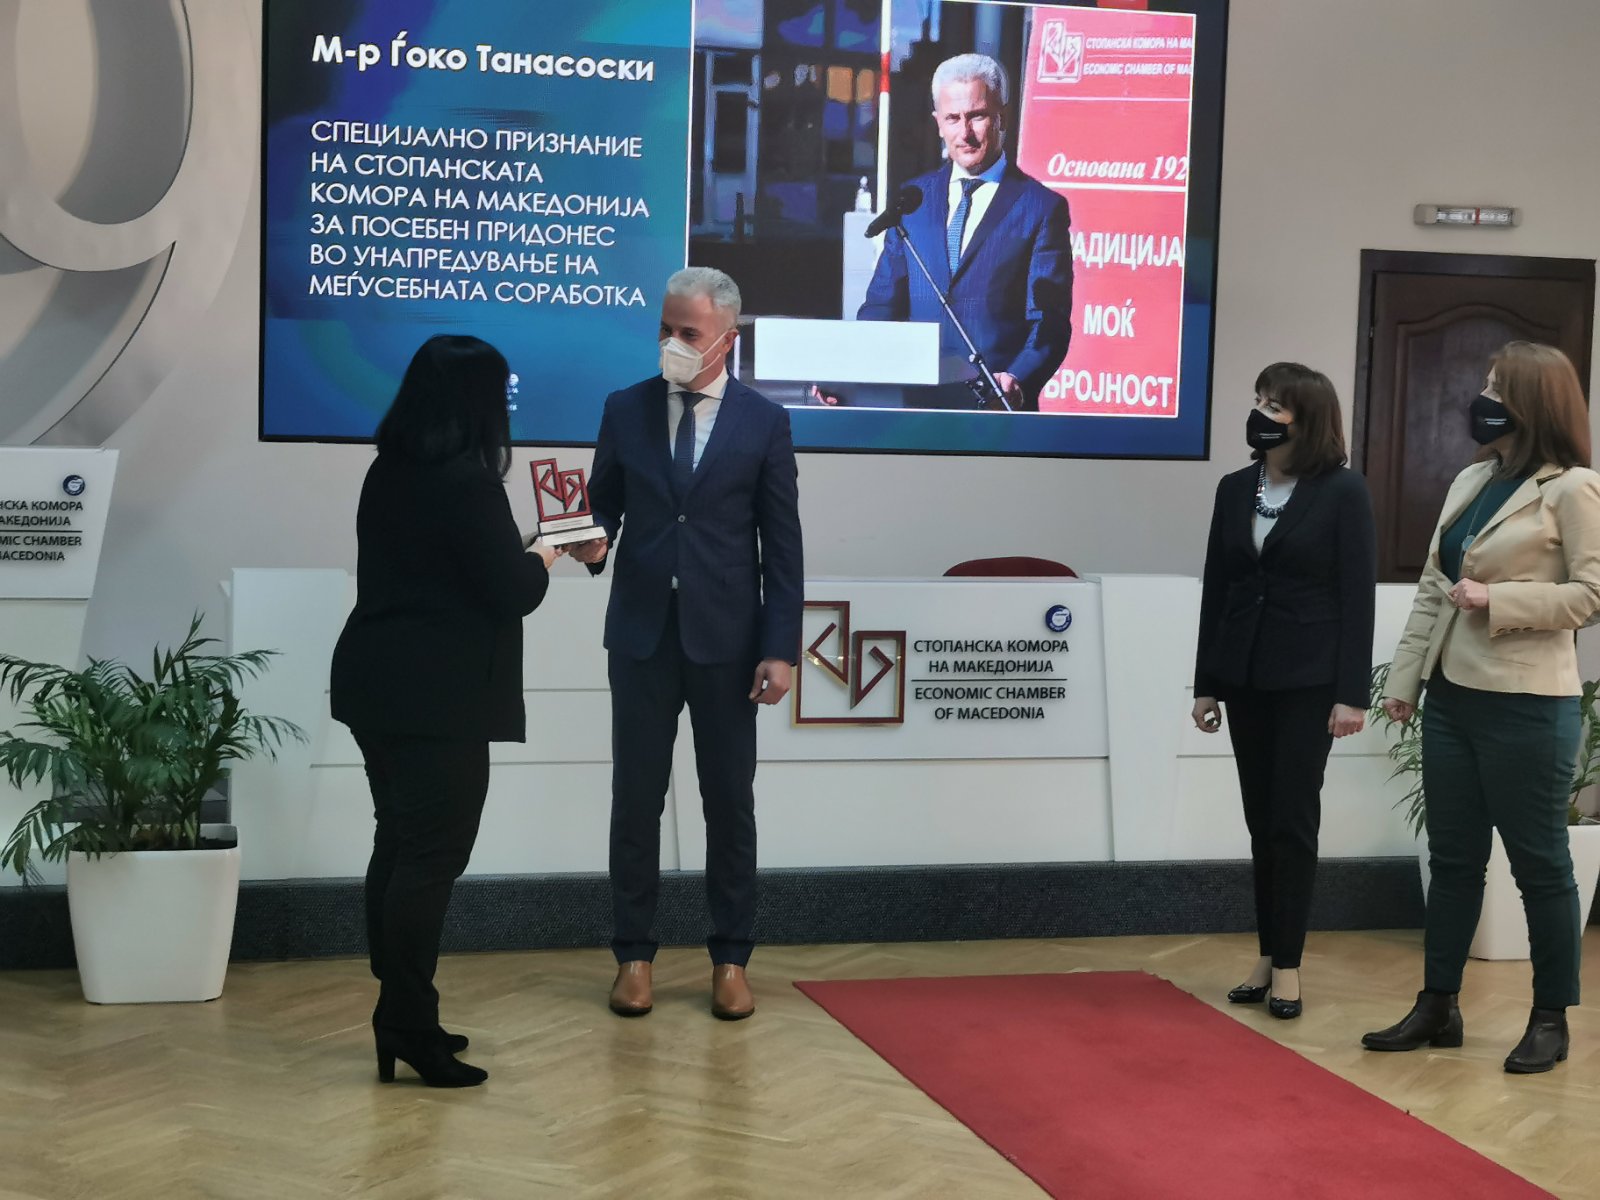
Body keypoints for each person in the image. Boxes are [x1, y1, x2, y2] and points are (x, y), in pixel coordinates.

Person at [570, 267, 804, 1020]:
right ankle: (633, 956)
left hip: (728, 642)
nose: (672, 342)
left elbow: (782, 546)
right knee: (634, 801)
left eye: (688, 333)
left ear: (725, 340)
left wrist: (781, 647)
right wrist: (590, 543)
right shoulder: (625, 407)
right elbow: (604, 507)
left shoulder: (764, 422)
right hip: (641, 635)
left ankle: (731, 958)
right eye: (665, 329)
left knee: (729, 803)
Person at [330, 335, 561, 1087]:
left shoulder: (389, 468)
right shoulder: (468, 482)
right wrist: (549, 551)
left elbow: (452, 569)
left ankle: (402, 1011)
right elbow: (512, 591)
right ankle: (406, 1022)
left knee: (400, 844)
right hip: (437, 698)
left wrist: (521, 551)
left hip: (375, 682)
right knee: (431, 860)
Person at [1364, 342, 1600, 1074]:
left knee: (1540, 866)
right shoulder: (1473, 478)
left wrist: (1500, 598)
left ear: (1532, 403)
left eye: (1497, 388)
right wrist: (1406, 680)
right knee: (1454, 860)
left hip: (1528, 705)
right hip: (1452, 699)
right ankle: (1438, 1004)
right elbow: (1434, 588)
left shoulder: (1573, 489)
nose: (1483, 398)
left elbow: (1591, 596)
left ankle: (1550, 1018)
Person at [1192, 363, 1376, 1020]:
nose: (1262, 413)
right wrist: (1206, 685)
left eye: (1276, 405)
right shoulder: (1234, 487)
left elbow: (1357, 597)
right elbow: (1219, 588)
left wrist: (1353, 694)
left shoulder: (1343, 491)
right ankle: (1267, 955)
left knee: (1292, 822)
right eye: (1259, 400)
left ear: (1309, 419)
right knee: (1259, 821)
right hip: (1244, 677)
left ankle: (1290, 965)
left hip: (1309, 680)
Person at [854, 53, 1073, 411]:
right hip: (914, 411)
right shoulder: (913, 200)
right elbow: (881, 307)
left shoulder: (1041, 207)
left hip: (995, 412)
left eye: (977, 116)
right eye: (953, 118)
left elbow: (1049, 321)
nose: (965, 133)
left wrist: (1017, 379)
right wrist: (848, 376)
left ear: (1003, 117)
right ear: (938, 124)